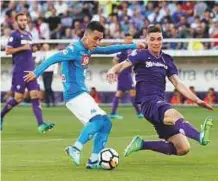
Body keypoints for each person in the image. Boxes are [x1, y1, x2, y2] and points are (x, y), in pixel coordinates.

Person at [24, 21, 145, 169]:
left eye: (100, 39)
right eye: (96, 38)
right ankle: (75, 148)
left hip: (81, 94)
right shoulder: (75, 48)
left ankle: (94, 160)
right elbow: (54, 57)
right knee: (100, 120)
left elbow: (108, 49)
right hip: (74, 94)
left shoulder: (89, 48)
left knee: (106, 124)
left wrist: (132, 46)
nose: (98, 42)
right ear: (86, 35)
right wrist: (36, 72)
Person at [106, 25, 214, 158]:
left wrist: (197, 100)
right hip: (148, 103)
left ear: (162, 40)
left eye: (159, 39)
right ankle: (200, 136)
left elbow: (177, 83)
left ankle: (141, 144)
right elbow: (122, 64)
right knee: (172, 114)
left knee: (183, 148)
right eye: (152, 39)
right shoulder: (141, 54)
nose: (156, 42)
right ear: (147, 40)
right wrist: (112, 70)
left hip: (159, 103)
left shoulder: (167, 59)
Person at [0, 12, 55, 133]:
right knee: (18, 98)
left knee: (35, 95)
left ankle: (41, 125)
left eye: (25, 20)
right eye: (21, 20)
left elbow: (28, 49)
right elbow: (8, 51)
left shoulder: (29, 35)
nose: (23, 22)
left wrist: (32, 49)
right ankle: (1, 115)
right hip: (19, 71)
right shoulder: (14, 35)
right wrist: (22, 48)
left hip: (31, 71)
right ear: (16, 22)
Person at [110, 33, 143, 120]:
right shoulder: (122, 49)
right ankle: (139, 113)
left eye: (131, 39)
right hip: (124, 74)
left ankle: (113, 113)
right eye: (128, 39)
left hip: (127, 73)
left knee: (119, 93)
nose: (130, 40)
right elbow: (115, 60)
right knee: (133, 92)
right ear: (124, 39)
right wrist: (118, 70)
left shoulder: (131, 48)